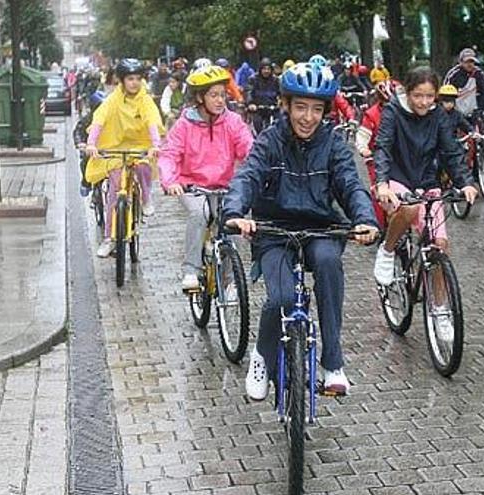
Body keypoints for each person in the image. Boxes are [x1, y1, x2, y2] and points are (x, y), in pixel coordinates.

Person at [222, 62, 380, 399]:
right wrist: (235, 212)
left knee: (327, 264)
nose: (308, 117)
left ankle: (333, 363)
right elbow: (248, 175)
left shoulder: (333, 144)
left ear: (325, 111)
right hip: (274, 229)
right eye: (300, 107)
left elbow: (351, 185)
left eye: (316, 109)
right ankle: (262, 357)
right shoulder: (270, 140)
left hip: (321, 228)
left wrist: (365, 219)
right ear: (287, 105)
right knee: (279, 298)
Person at [371, 68, 478, 312]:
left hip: (427, 181)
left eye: (430, 96)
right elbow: (383, 147)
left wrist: (466, 182)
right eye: (418, 95)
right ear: (408, 92)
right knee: (410, 208)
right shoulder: (393, 112)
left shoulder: (438, 115)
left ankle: (440, 309)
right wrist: (382, 183)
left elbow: (451, 151)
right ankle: (387, 251)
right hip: (397, 178)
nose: (424, 102)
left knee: (439, 244)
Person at [158, 66, 254, 290]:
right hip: (192, 186)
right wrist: (170, 181)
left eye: (223, 94)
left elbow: (248, 148)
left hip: (224, 186)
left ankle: (229, 283)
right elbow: (170, 154)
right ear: (200, 97)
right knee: (200, 213)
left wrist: (261, 171)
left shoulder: (232, 122)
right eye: (214, 95)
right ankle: (191, 270)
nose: (220, 100)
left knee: (234, 223)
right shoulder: (184, 125)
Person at [85, 58, 165, 258]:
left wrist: (155, 145)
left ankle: (146, 199)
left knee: (144, 166)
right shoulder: (113, 99)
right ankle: (109, 239)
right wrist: (91, 143)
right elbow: (99, 120)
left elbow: (152, 121)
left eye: (138, 78)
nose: (134, 83)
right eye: (130, 79)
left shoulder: (145, 100)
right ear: (121, 81)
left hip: (140, 146)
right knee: (114, 193)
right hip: (116, 147)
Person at [355, 79, 399, 229]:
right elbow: (362, 135)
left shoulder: (405, 112)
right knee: (379, 193)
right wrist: (363, 149)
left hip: (399, 157)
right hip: (376, 158)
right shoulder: (371, 114)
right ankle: (381, 227)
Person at [443, 48, 484, 118]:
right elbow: (445, 91)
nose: (469, 64)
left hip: (473, 109)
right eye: (466, 62)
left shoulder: (478, 73)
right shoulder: (454, 74)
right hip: (457, 109)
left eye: (471, 61)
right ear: (461, 62)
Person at [74, 90, 106, 197]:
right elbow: (78, 131)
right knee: (85, 162)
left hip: (107, 150)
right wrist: (81, 143)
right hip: (91, 149)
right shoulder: (87, 119)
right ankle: (86, 183)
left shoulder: (112, 119)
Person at [244, 57, 281, 134]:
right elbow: (248, 91)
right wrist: (250, 103)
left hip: (272, 109)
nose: (266, 71)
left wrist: (281, 102)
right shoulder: (253, 79)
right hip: (257, 110)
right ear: (260, 69)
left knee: (279, 126)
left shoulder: (276, 80)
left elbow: (282, 93)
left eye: (268, 69)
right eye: (264, 69)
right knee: (257, 127)